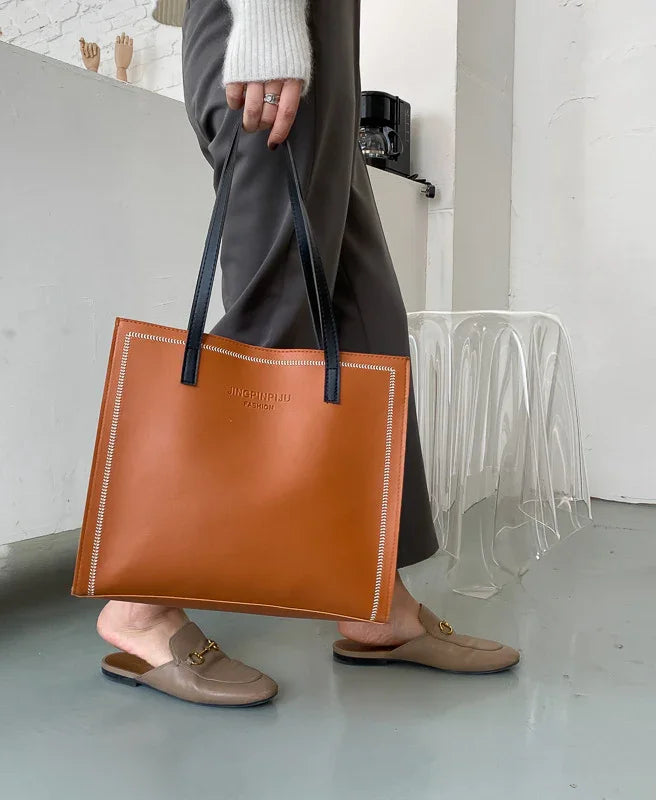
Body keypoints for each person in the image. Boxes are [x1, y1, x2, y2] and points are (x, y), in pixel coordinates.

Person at [96, 0, 520, 707]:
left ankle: (373, 600)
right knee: (277, 317)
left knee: (364, 321)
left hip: (321, 37)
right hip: (266, 24)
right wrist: (269, 22)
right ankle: (138, 606)